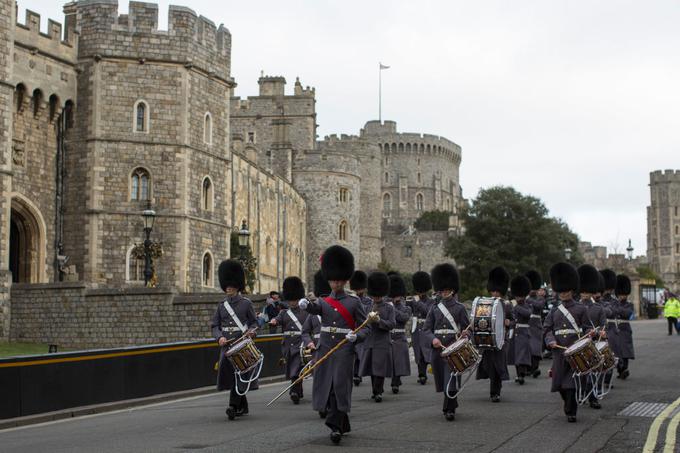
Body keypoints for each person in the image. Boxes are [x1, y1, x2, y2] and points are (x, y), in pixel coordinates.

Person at [299, 245, 370, 445]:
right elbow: (315, 308)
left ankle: (335, 426)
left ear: (345, 280)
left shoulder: (354, 302)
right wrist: (306, 305)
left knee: (339, 386)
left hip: (344, 350)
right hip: (325, 350)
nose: (335, 283)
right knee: (327, 386)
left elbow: (365, 328)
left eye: (339, 280)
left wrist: (357, 337)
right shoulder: (324, 301)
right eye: (332, 280)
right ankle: (341, 423)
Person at [544, 262, 593, 423]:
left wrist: (589, 336)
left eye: (566, 291)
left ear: (572, 290)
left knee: (571, 384)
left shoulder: (581, 309)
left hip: (574, 350)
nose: (564, 294)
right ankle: (568, 402)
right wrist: (550, 341)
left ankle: (571, 411)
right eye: (561, 292)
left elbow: (586, 328)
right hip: (559, 352)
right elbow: (547, 329)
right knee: (560, 384)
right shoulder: (554, 311)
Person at [210, 260, 259, 421]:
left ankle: (233, 406)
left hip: (242, 343)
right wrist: (220, 337)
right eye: (227, 286)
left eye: (231, 285)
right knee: (231, 374)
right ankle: (242, 405)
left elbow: (254, 323)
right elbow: (215, 325)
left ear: (237, 286)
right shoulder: (221, 305)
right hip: (227, 345)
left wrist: (252, 332)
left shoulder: (246, 304)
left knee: (240, 374)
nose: (228, 288)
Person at [422, 263, 470, 421]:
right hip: (438, 349)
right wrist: (433, 339)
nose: (444, 292)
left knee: (451, 378)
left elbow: (468, 328)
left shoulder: (460, 308)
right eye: (442, 290)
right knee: (443, 379)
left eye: (446, 290)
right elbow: (426, 329)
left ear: (452, 289)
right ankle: (451, 405)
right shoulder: (434, 309)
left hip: (453, 347)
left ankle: (449, 409)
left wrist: (465, 335)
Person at [476, 266, 513, 403]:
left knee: (498, 365)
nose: (495, 293)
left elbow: (514, 321)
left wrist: (509, 323)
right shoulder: (485, 304)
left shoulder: (507, 305)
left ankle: (495, 392)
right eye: (493, 291)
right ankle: (494, 388)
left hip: (502, 340)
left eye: (497, 291)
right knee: (490, 365)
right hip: (488, 339)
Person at [269, 276, 308, 404]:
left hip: (300, 342)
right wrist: (274, 321)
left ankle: (294, 392)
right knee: (292, 367)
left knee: (296, 367)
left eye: (295, 300)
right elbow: (278, 320)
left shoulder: (306, 312)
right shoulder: (284, 313)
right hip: (287, 344)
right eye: (291, 300)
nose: (293, 302)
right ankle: (298, 390)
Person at [358, 272, 394, 402]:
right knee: (372, 368)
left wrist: (379, 321)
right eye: (375, 295)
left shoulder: (389, 308)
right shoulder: (367, 306)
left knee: (379, 367)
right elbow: (360, 322)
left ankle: (378, 391)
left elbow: (391, 324)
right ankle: (376, 389)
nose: (376, 297)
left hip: (382, 341)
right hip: (370, 340)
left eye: (378, 295)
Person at [577, 264, 608, 409]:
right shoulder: (575, 307)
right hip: (579, 343)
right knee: (581, 373)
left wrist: (601, 332)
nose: (584, 294)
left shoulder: (598, 308)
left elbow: (603, 325)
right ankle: (582, 393)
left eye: (586, 292)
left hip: (594, 343)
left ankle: (593, 398)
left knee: (593, 373)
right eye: (582, 291)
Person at [409, 271, 435, 385]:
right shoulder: (413, 299)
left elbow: (427, 311)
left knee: (425, 350)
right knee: (417, 351)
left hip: (426, 329)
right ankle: (421, 374)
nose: (420, 293)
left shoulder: (431, 301)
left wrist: (417, 302)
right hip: (416, 329)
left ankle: (425, 373)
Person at [389, 273, 412, 394]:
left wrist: (392, 308)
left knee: (398, 362)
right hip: (388, 336)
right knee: (389, 362)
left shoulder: (405, 307)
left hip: (399, 336)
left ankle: (395, 382)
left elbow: (403, 318)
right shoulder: (387, 305)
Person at [350, 270, 371, 386]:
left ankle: (359, 373)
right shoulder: (352, 299)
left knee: (361, 352)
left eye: (360, 289)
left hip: (363, 328)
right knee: (354, 353)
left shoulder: (368, 301)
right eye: (357, 289)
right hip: (353, 328)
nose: (359, 291)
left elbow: (366, 313)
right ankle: (356, 374)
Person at [510, 276, 533, 385]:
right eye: (517, 296)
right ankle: (519, 375)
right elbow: (512, 320)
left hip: (524, 332)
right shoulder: (513, 307)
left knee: (522, 355)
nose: (519, 298)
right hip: (515, 332)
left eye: (520, 296)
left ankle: (522, 374)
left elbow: (527, 314)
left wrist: (516, 306)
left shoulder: (528, 306)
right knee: (516, 355)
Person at [600, 269, 619, 387]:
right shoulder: (598, 300)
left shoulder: (613, 301)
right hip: (600, 329)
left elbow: (612, 312)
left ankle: (608, 378)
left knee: (610, 354)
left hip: (611, 329)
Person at [614, 274, 635, 380]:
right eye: (621, 295)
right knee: (617, 352)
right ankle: (620, 369)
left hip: (625, 329)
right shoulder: (614, 303)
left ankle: (624, 369)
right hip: (615, 330)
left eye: (624, 295)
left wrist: (617, 309)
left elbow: (627, 314)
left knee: (625, 352)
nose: (623, 297)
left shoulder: (629, 304)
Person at [525, 270, 544, 377]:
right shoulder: (526, 299)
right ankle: (527, 368)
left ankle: (535, 367)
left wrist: (528, 299)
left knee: (536, 348)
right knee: (527, 347)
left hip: (536, 325)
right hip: (527, 325)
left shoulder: (540, 299)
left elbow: (539, 306)